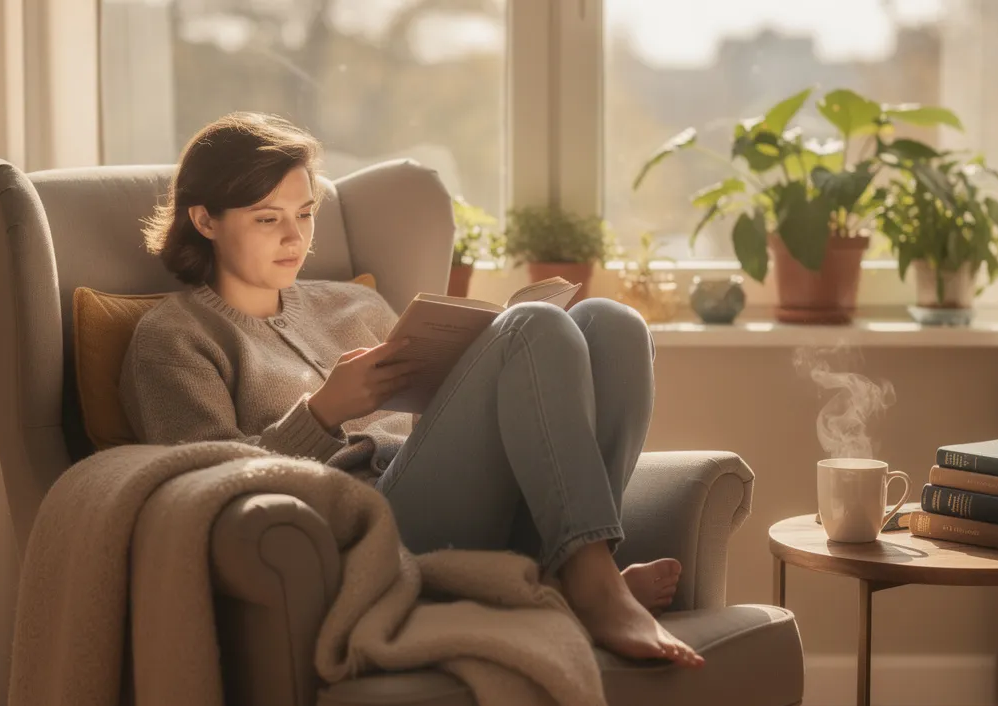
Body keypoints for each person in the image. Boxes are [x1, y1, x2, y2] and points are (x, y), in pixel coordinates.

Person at [119, 112, 703, 668]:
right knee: (535, 328)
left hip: (460, 499)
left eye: (306, 213)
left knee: (614, 324)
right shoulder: (174, 338)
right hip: (366, 530)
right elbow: (201, 498)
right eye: (268, 218)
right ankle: (594, 590)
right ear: (205, 220)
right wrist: (322, 414)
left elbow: (432, 430)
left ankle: (578, 566)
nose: (295, 238)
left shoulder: (356, 303)